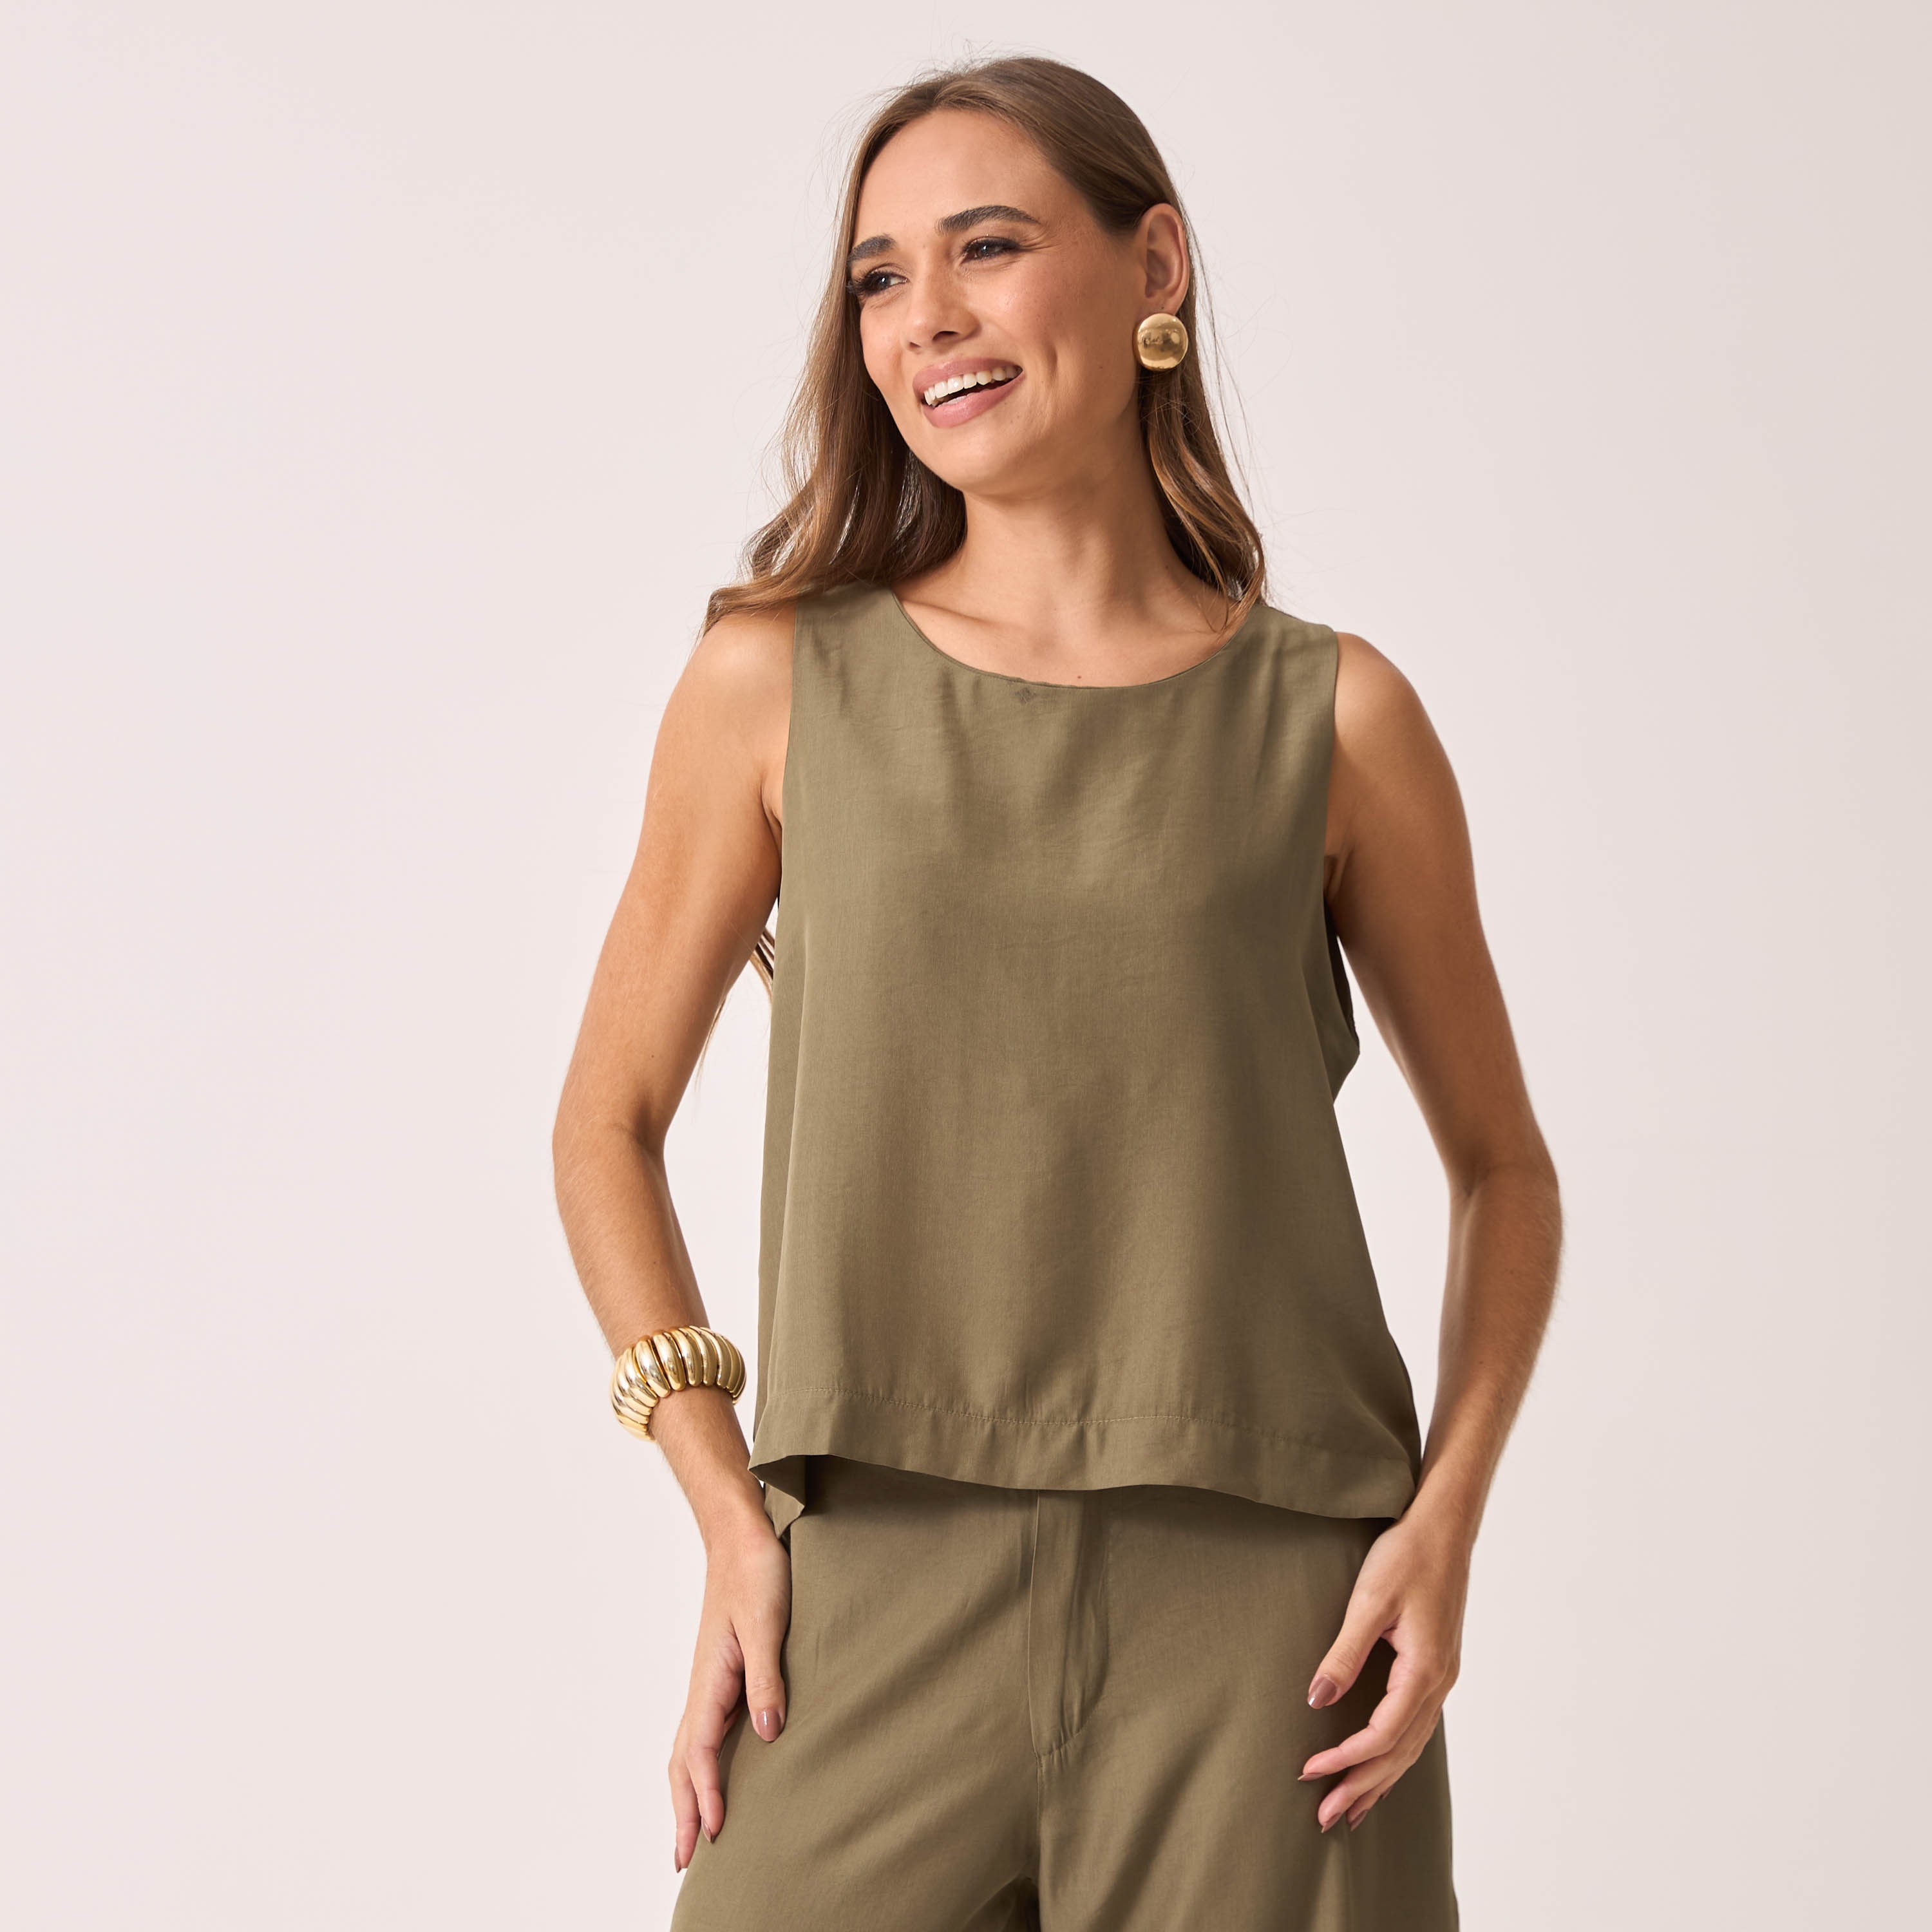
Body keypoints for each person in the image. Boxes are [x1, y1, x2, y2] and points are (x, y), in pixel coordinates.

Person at [553, 53, 1560, 1932]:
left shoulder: (1337, 721)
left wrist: (1447, 1529)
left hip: (1274, 1621)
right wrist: (722, 1507)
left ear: (1152, 266)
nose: (924, 316)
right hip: (866, 1594)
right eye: (878, 276)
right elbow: (604, 1123)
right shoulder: (774, 686)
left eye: (988, 248)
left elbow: (1506, 1168)